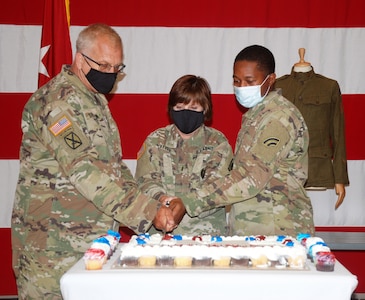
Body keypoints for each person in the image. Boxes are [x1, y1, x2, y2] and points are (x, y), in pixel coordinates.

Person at [11, 23, 179, 299]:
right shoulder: (57, 102)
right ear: (80, 59)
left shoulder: (93, 100)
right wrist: (147, 211)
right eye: (103, 65)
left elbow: (112, 168)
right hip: (52, 250)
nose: (111, 74)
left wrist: (152, 201)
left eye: (117, 68)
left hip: (88, 243)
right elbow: (86, 170)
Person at [168, 45, 315, 237]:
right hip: (255, 231)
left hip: (279, 231)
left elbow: (250, 177)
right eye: (237, 81)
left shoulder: (278, 118)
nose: (242, 87)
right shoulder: (256, 117)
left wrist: (190, 201)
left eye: (250, 81)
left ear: (270, 80)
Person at [136, 74, 233, 235]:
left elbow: (218, 189)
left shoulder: (218, 143)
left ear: (205, 109)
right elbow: (144, 182)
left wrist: (185, 204)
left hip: (204, 235)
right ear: (171, 109)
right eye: (179, 108)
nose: (186, 113)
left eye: (194, 108)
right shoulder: (155, 140)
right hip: (159, 235)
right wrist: (163, 200)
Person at [275, 48, 349, 210]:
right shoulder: (277, 86)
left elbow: (337, 133)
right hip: (282, 168)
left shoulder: (328, 86)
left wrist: (339, 178)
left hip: (317, 167)